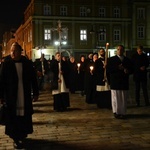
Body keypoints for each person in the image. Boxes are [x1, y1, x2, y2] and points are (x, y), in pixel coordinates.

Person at [0, 42, 39, 149]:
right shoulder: (6, 63)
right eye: (11, 50)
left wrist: (35, 92)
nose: (13, 53)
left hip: (24, 94)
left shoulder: (26, 63)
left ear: (20, 51)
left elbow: (33, 79)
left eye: (15, 50)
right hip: (11, 96)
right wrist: (1, 96)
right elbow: (1, 81)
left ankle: (22, 134)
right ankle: (15, 138)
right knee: (13, 117)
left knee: (23, 116)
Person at [107, 45, 133, 119]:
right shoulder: (111, 60)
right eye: (118, 49)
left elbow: (131, 69)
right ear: (116, 50)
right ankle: (116, 111)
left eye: (121, 49)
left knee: (123, 98)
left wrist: (127, 70)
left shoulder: (127, 60)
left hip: (124, 81)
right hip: (115, 81)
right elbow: (109, 70)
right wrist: (117, 67)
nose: (120, 51)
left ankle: (123, 112)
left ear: (123, 50)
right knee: (116, 98)